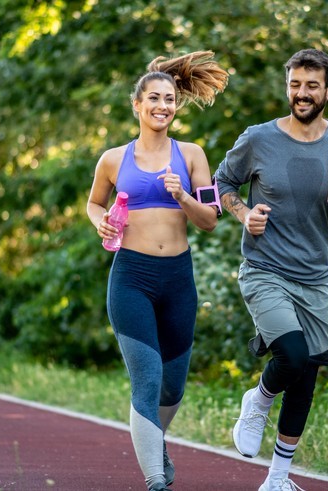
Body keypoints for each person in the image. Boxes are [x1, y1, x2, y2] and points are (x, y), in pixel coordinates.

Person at [215, 48, 328, 491]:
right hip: (265, 268)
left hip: (314, 277)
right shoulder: (258, 138)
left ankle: (278, 478)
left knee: (306, 375)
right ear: (287, 86)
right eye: (295, 84)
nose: (301, 94)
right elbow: (223, 182)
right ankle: (258, 399)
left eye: (312, 85)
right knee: (293, 356)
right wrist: (244, 213)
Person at [86, 51, 228, 491]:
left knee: (172, 389)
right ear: (137, 105)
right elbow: (93, 203)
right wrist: (99, 220)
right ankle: (155, 480)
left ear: (176, 104)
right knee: (146, 380)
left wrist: (183, 196)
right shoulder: (113, 159)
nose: (162, 106)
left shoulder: (192, 155)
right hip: (131, 277)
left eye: (169, 98)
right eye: (153, 98)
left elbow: (210, 219)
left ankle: (156, 444)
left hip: (178, 281)